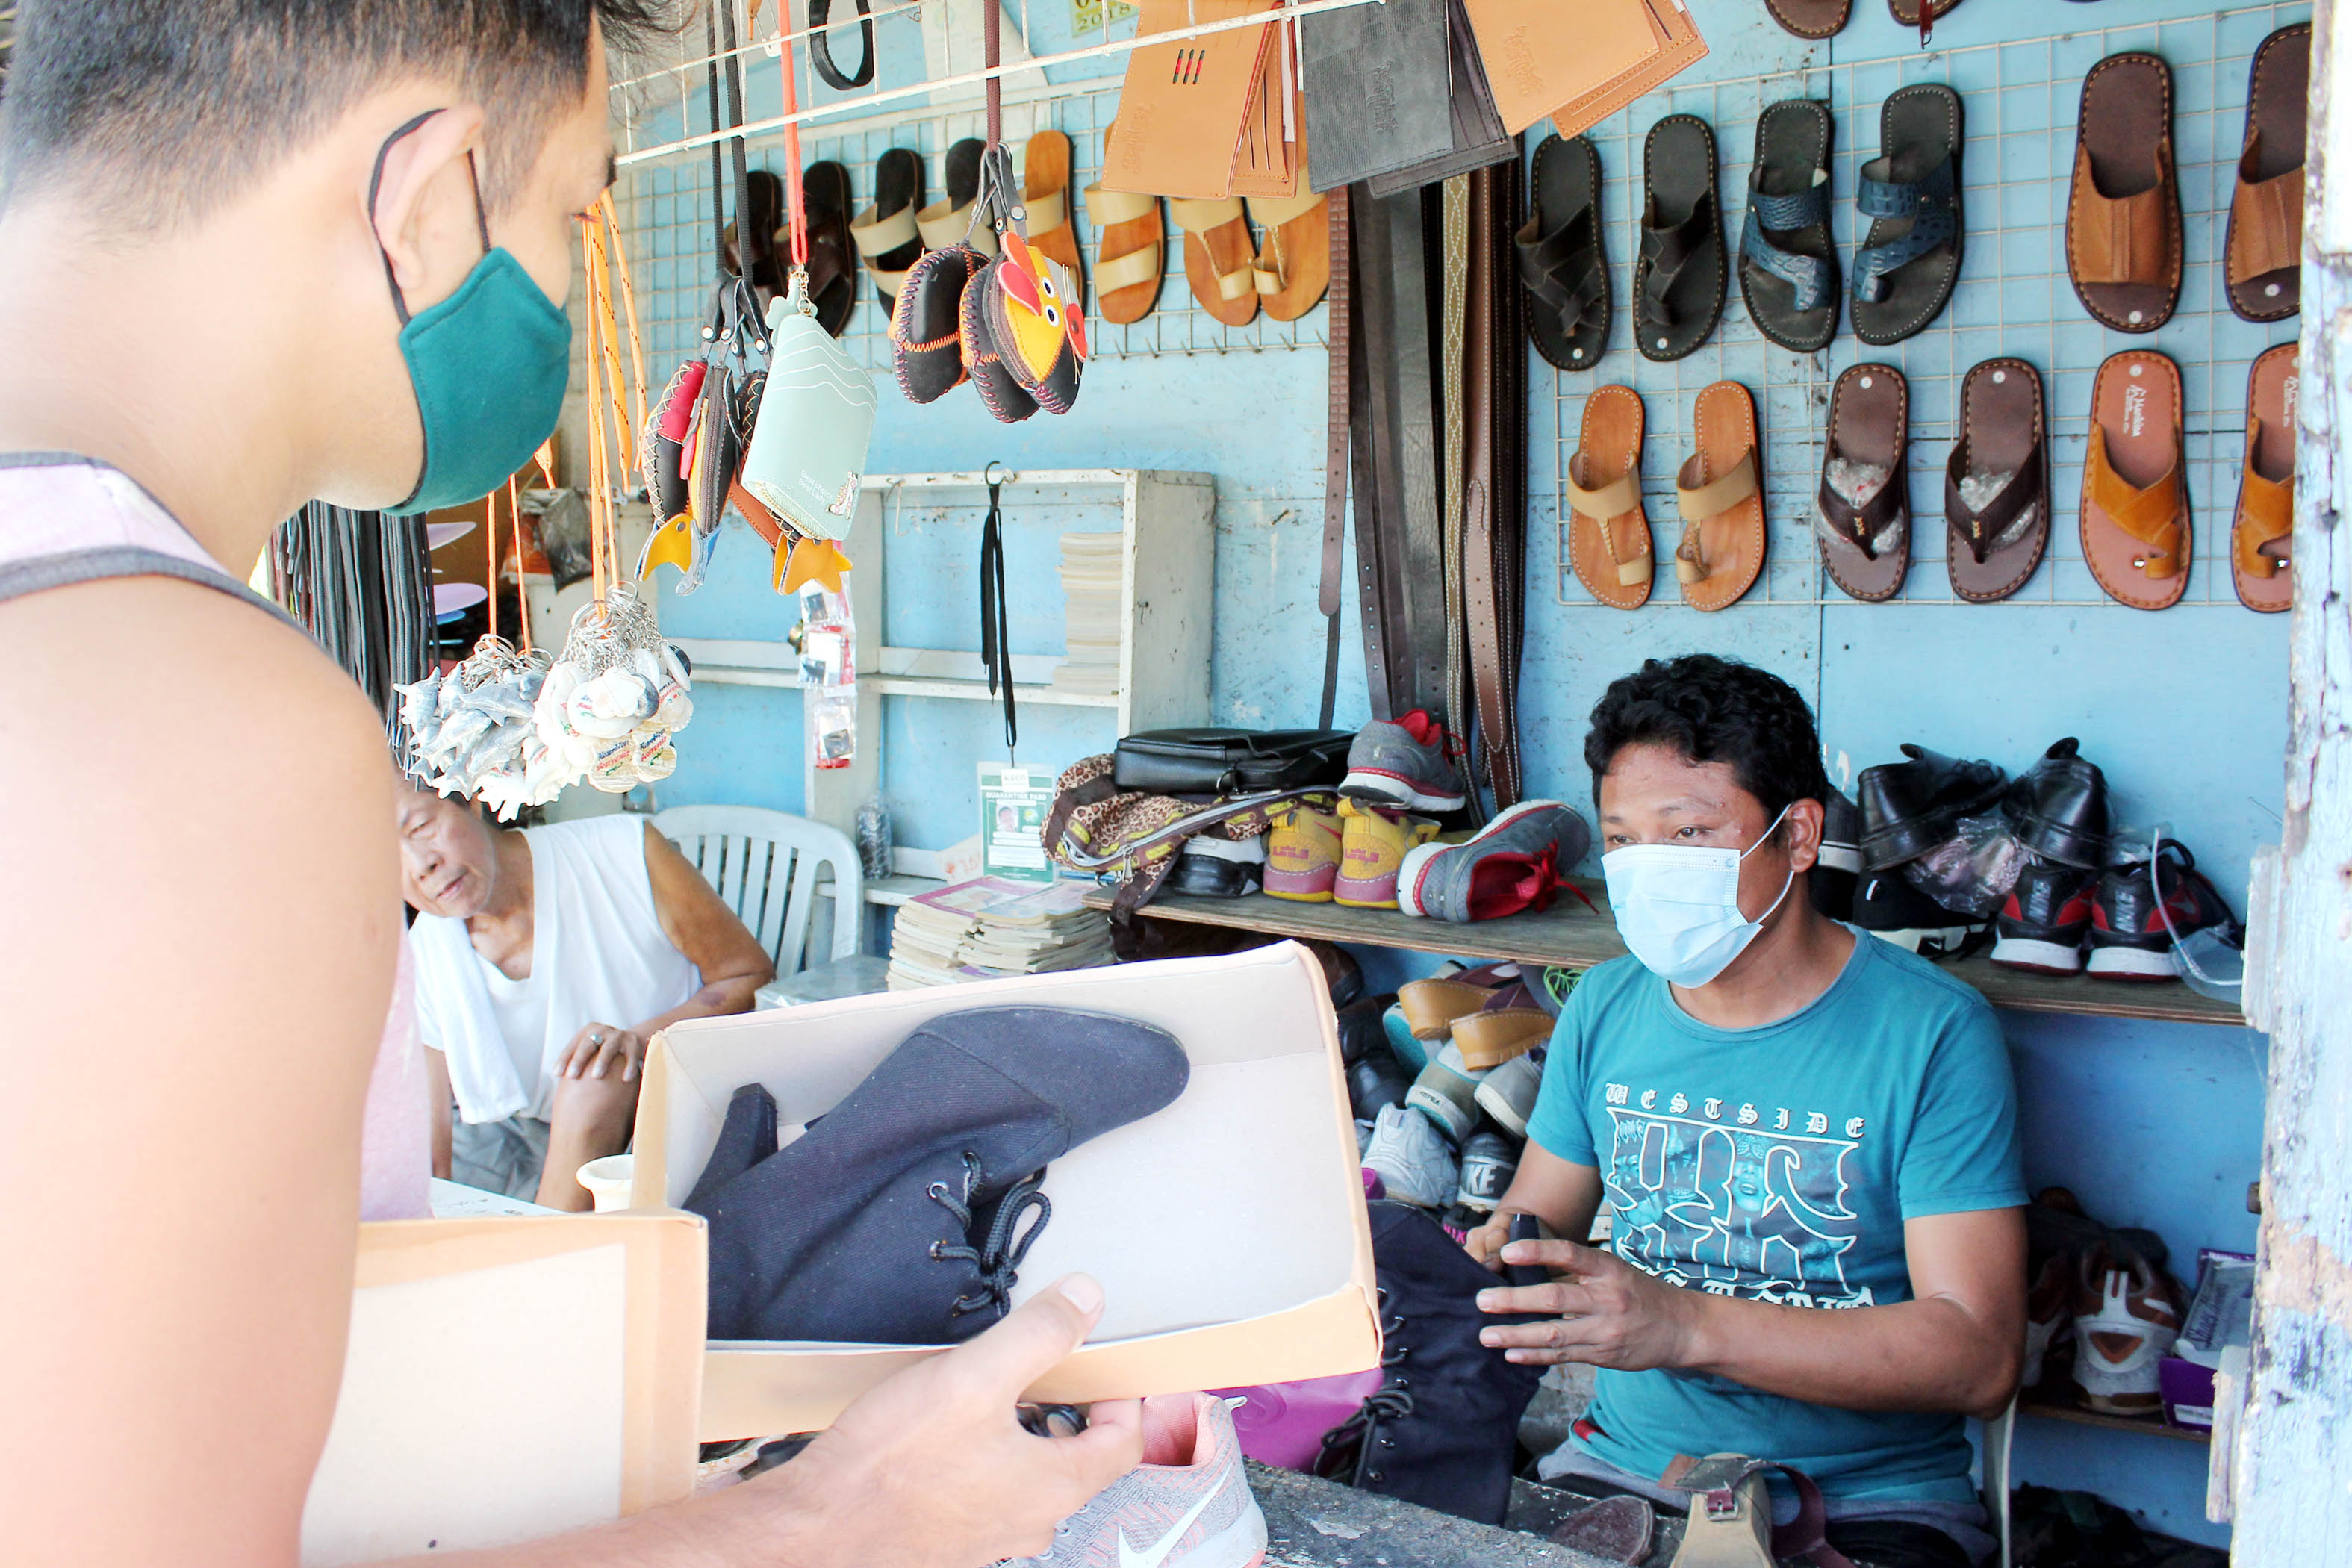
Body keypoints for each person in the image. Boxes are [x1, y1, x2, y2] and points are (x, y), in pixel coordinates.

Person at [0, 4, 1144, 1564]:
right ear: (428, 192)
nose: (557, 285)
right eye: (572, 211)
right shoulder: (179, 715)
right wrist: (836, 1514)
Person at [1465, 656, 2026, 1568]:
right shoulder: (1606, 1007)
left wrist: (1682, 1325)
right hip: (1627, 1472)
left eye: (1687, 832)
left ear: (1798, 837)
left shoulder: (1933, 1033)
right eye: (1624, 841)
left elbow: (1977, 1356)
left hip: (1865, 1503)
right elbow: (1533, 1227)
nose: (1649, 872)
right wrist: (1493, 1257)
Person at [399, 786, 775, 1209]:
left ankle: (546, 1261)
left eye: (421, 827)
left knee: (599, 1068)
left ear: (469, 799)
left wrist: (643, 1038)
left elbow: (747, 974)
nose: (421, 866)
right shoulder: (426, 951)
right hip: (533, 1138)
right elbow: (425, 1148)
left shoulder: (624, 853)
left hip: (673, 1117)